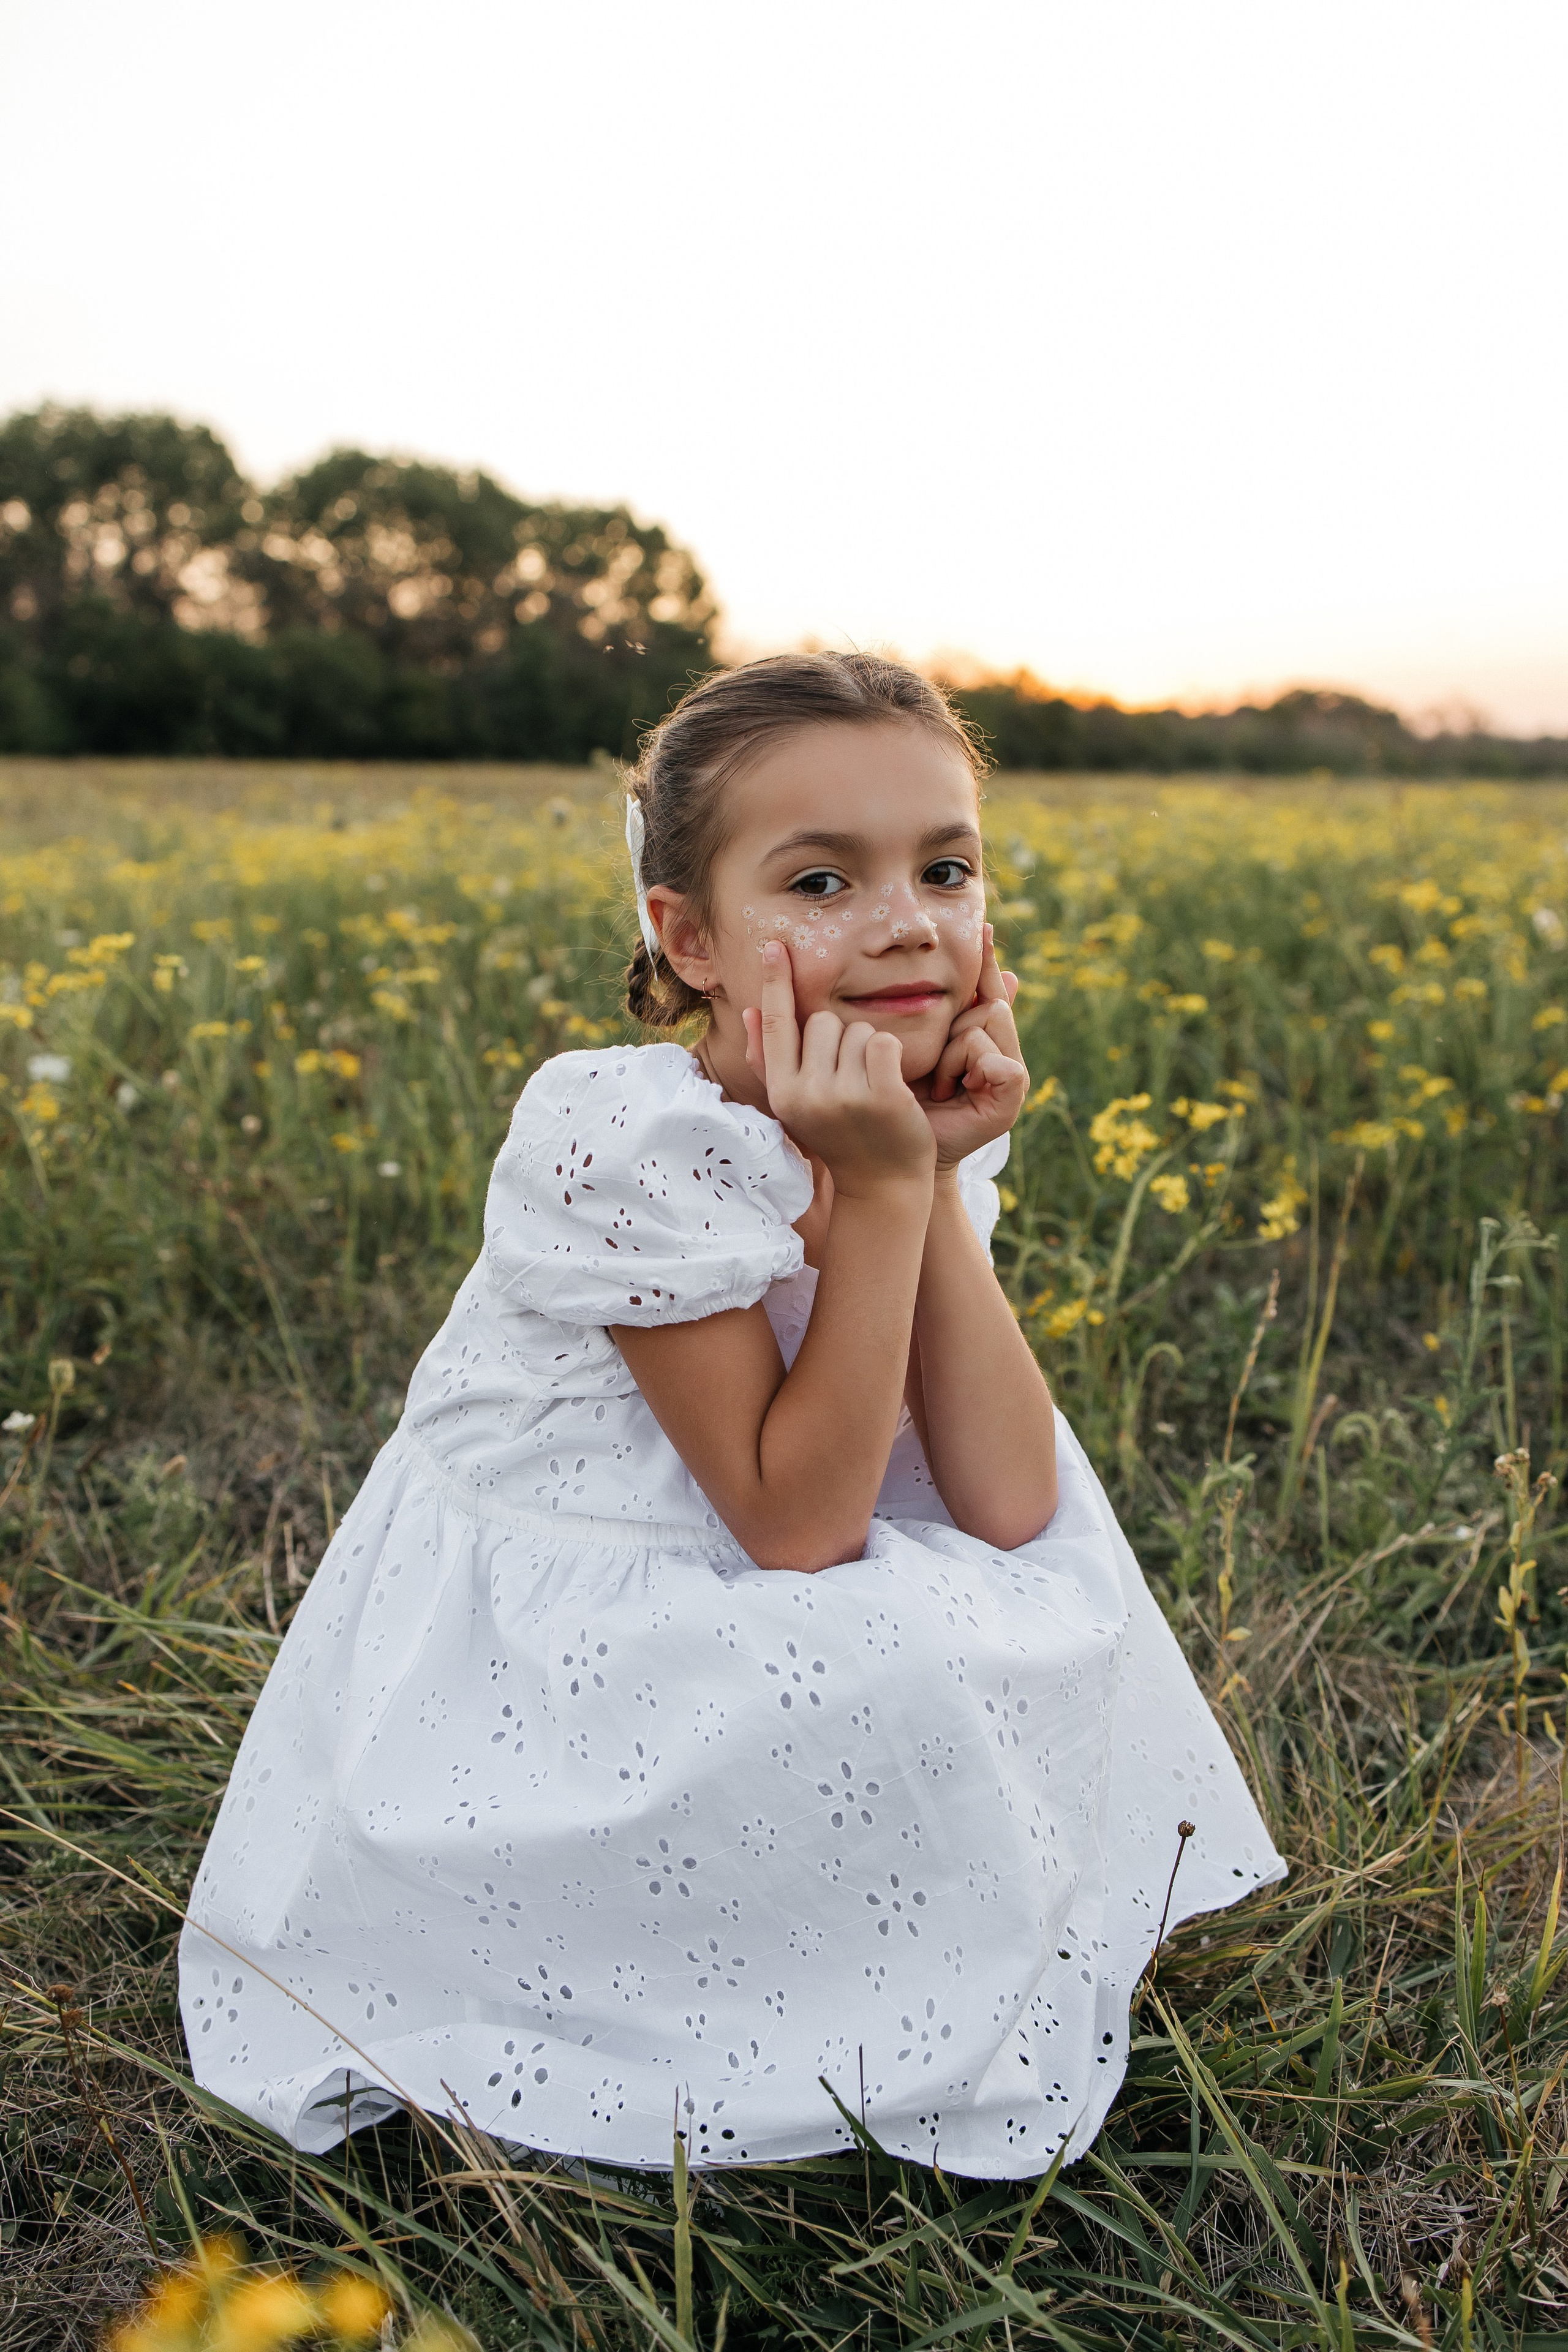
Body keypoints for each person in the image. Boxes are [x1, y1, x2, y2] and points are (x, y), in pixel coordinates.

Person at [179, 653, 1283, 2179]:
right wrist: (892, 1186)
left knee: (1030, 1605)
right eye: (822, 880)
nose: (906, 920)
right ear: (687, 939)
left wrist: (932, 1177)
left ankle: (866, 1971)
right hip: (574, 1635)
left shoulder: (895, 1112)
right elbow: (798, 1528)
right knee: (892, 1660)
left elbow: (1016, 1503)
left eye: (945, 868)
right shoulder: (627, 1136)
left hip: (762, 1559)